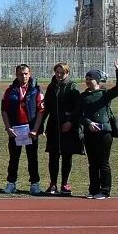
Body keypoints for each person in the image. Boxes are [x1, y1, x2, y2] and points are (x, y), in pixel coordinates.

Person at [79, 60, 118, 199]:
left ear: (98, 80)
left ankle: (105, 191)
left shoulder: (105, 95)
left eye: (91, 79)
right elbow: (79, 115)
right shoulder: (82, 97)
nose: (88, 81)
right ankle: (93, 190)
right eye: (86, 79)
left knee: (103, 162)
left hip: (104, 133)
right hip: (89, 133)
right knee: (92, 164)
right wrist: (88, 123)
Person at [1, 64, 45, 195]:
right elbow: (4, 110)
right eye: (20, 74)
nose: (23, 76)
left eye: (25, 73)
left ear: (29, 74)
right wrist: (8, 128)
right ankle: (11, 183)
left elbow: (41, 111)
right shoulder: (10, 91)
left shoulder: (36, 91)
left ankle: (34, 184)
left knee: (33, 158)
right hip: (15, 130)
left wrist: (35, 129)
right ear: (16, 75)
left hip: (30, 131)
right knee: (14, 158)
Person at [42, 62, 82, 196]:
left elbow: (78, 109)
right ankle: (53, 183)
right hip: (53, 125)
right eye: (57, 72)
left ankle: (65, 183)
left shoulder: (72, 87)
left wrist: (70, 122)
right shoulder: (51, 87)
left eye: (62, 73)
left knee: (66, 155)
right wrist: (41, 124)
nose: (59, 75)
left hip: (67, 127)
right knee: (53, 155)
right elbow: (46, 107)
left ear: (67, 73)